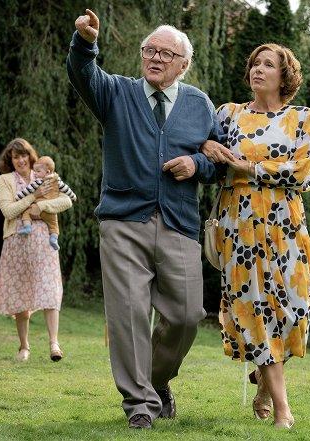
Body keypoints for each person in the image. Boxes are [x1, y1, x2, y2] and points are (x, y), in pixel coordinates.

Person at [68, 9, 225, 429]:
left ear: (183, 64)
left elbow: (219, 162)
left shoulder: (199, 104)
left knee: (188, 316)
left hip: (179, 223)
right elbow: (83, 73)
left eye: (165, 53)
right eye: (149, 50)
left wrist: (196, 164)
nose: (155, 58)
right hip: (123, 221)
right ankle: (139, 404)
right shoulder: (116, 93)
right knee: (129, 314)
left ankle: (156, 381)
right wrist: (85, 43)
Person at [201, 43, 310, 429]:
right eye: (255, 63)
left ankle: (264, 379)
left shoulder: (302, 118)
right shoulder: (228, 114)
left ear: (285, 76)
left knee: (295, 310)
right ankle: (283, 409)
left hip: (287, 226)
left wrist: (248, 166)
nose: (258, 69)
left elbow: (304, 174)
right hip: (239, 226)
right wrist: (206, 145)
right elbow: (205, 155)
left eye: (268, 64)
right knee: (257, 311)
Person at [0, 138, 73, 362]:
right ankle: (24, 346)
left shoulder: (45, 175)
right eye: (16, 157)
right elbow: (8, 211)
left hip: (44, 241)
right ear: (10, 160)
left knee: (50, 288)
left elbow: (66, 200)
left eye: (24, 155)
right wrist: (34, 197)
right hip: (16, 242)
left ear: (31, 156)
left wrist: (41, 206)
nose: (21, 160)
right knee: (21, 292)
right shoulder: (5, 180)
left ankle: (54, 343)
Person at [16, 155, 77, 251]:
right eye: (35, 171)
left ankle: (27, 227)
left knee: (26, 213)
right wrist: (73, 197)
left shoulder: (39, 182)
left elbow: (27, 191)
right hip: (50, 211)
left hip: (36, 209)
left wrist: (17, 197)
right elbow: (67, 189)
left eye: (38, 171)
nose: (35, 174)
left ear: (47, 172)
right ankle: (53, 239)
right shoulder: (57, 181)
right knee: (54, 225)